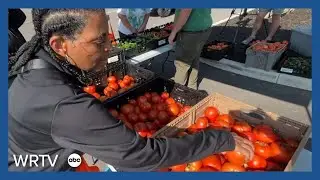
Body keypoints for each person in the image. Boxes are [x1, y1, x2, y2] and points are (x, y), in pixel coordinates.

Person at [8, 8, 254, 172]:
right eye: (99, 40)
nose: (109, 48)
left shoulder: (36, 63)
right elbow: (143, 156)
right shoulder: (65, 105)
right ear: (60, 45)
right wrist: (221, 139)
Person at [168, 9, 213, 90]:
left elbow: (186, 10)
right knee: (194, 59)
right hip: (204, 28)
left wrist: (174, 32)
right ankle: (192, 88)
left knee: (182, 64)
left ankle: (178, 91)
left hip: (191, 32)